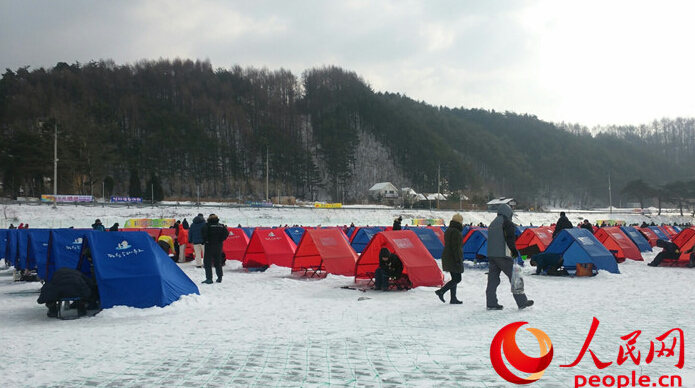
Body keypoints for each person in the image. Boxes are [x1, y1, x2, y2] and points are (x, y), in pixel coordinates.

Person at [486, 204, 533, 310]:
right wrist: (514, 251)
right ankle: (522, 301)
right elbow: (510, 239)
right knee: (514, 277)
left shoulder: (493, 223)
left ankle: (491, 303)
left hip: (492, 255)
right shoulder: (507, 223)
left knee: (493, 280)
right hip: (503, 255)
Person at [435, 213, 464, 304]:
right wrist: (458, 259)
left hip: (448, 256)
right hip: (453, 257)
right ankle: (441, 291)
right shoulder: (456, 232)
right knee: (457, 278)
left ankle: (453, 298)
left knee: (454, 277)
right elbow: (456, 247)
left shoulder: (449, 230)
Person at [201, 214, 229, 284]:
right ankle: (219, 277)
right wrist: (221, 239)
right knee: (218, 262)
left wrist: (205, 240)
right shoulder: (221, 226)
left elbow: (203, 234)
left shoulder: (207, 226)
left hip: (209, 245)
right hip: (218, 246)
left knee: (207, 262)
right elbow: (226, 233)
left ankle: (209, 279)